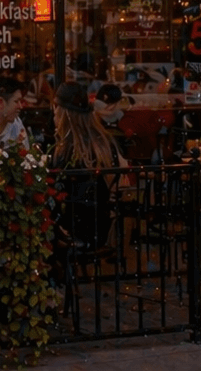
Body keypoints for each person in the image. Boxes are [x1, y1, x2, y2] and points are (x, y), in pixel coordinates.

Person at [52, 83, 126, 270]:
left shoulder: (66, 150)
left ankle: (54, 288)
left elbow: (57, 193)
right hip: (99, 226)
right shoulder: (103, 142)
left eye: (55, 108)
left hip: (72, 229)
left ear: (63, 113)